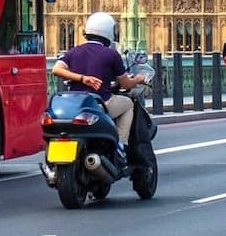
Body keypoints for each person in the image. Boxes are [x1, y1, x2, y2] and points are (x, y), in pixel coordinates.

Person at [51, 12, 151, 153]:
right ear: (109, 32)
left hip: (77, 105)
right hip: (100, 104)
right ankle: (120, 144)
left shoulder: (74, 51)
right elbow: (126, 84)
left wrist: (81, 78)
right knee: (128, 104)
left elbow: (56, 69)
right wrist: (139, 79)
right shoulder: (111, 54)